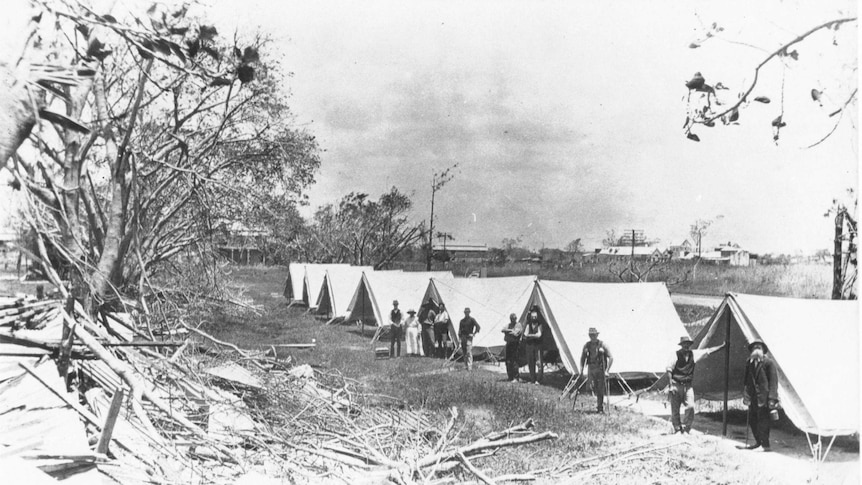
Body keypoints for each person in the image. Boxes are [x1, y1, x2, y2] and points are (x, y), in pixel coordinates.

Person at [665, 336, 725, 433]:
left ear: (689, 345)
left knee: (691, 406)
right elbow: (669, 370)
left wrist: (722, 346)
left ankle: (686, 428)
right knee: (675, 409)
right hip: (676, 384)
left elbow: (708, 351)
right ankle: (677, 429)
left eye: (688, 344)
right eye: (684, 344)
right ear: (681, 345)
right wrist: (671, 385)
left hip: (688, 385)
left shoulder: (694, 354)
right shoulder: (675, 355)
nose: (686, 346)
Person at [741, 339, 779, 452]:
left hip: (765, 398)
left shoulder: (769, 363)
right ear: (752, 350)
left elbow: (773, 382)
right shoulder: (749, 362)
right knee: (753, 421)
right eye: (754, 347)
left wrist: (772, 399)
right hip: (753, 398)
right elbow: (747, 381)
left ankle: (766, 445)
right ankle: (758, 442)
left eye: (759, 347)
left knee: (764, 422)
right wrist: (746, 397)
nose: (757, 349)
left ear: (763, 350)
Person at [580, 327, 613, 413]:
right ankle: (597, 404)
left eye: (594, 335)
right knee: (590, 388)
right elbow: (582, 358)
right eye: (591, 335)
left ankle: (600, 408)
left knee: (600, 388)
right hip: (591, 369)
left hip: (600, 369)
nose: (592, 337)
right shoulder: (587, 345)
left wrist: (607, 371)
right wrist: (581, 370)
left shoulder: (603, 345)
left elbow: (611, 357)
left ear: (597, 335)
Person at [522, 307, 544, 384]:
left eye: (535, 317)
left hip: (537, 345)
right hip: (530, 345)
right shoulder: (528, 325)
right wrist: (533, 335)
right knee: (531, 362)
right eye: (532, 317)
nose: (534, 318)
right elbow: (525, 334)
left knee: (539, 362)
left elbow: (539, 335)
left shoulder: (539, 325)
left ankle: (538, 379)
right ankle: (532, 379)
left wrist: (530, 335)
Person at [502, 313, 523, 382]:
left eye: (514, 318)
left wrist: (508, 332)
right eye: (511, 319)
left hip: (515, 344)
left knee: (514, 361)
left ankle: (516, 377)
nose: (513, 320)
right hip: (509, 344)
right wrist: (510, 330)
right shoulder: (508, 325)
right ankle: (510, 376)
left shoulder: (518, 325)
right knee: (508, 361)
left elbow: (516, 334)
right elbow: (503, 330)